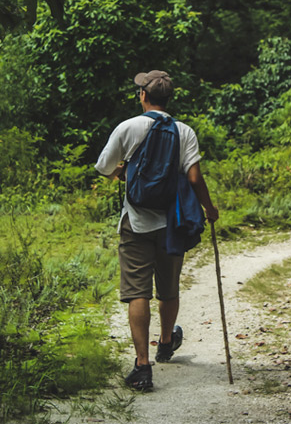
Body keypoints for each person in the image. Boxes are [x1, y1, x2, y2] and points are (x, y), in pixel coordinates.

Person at [95, 70, 219, 391]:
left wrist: (123, 174)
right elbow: (193, 178)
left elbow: (104, 167)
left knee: (138, 291)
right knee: (169, 287)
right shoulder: (184, 131)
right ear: (169, 99)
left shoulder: (128, 127)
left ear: (144, 96)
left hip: (135, 222)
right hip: (171, 223)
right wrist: (209, 207)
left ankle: (143, 365)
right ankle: (166, 343)